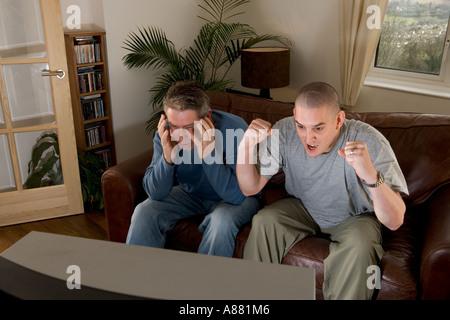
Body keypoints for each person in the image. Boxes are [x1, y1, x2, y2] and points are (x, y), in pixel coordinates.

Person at [236, 81, 409, 299]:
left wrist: (371, 176)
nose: (308, 138)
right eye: (301, 126)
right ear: (294, 116)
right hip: (304, 207)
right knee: (265, 220)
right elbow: (250, 188)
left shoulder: (369, 140)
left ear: (339, 120)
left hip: (355, 216)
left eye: (318, 128)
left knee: (361, 246)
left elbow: (395, 221)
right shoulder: (285, 130)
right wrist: (245, 147)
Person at [126, 80, 260, 257]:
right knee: (144, 211)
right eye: (175, 126)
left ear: (208, 117)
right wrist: (167, 158)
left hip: (238, 198)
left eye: (190, 127)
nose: (181, 135)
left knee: (221, 222)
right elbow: (155, 193)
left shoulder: (236, 129)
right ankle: (137, 279)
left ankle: (203, 283)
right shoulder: (166, 132)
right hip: (192, 194)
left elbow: (236, 195)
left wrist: (208, 153)